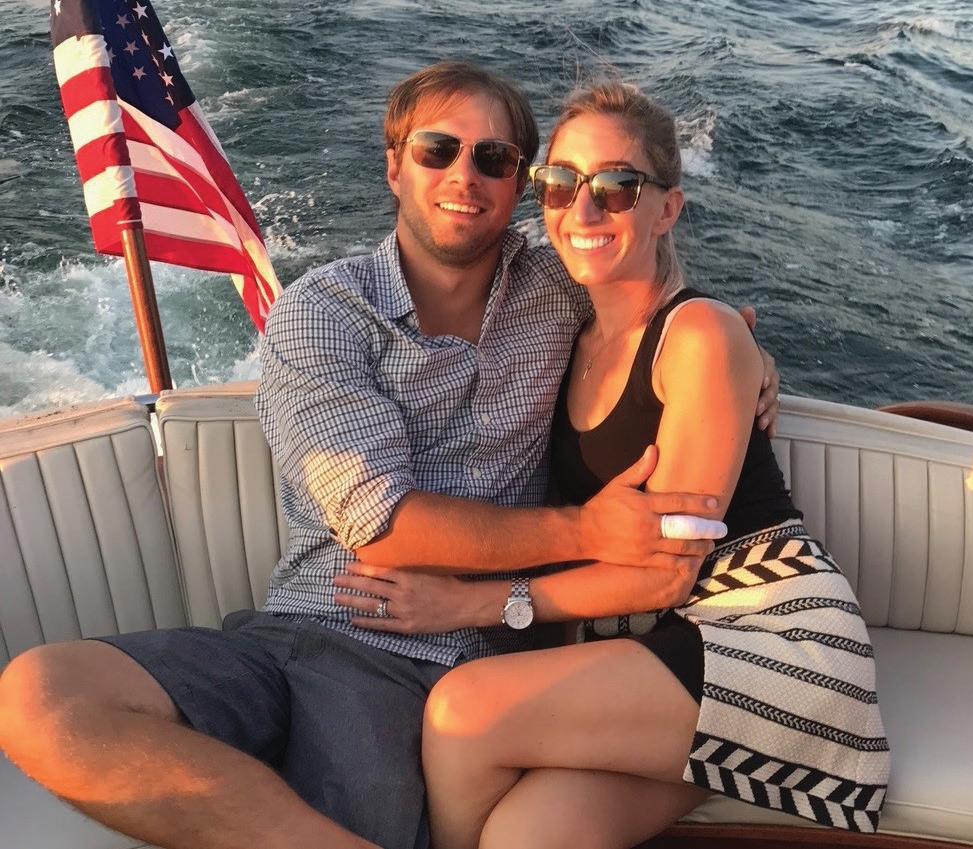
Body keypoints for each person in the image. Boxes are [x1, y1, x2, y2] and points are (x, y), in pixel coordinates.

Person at [0, 63, 779, 849]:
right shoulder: (325, 315)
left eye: (494, 159)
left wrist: (745, 352)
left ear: (519, 187)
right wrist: (586, 530)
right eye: (438, 150)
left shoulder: (559, 286)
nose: (464, 177)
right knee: (40, 695)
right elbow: (383, 527)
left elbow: (656, 308)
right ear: (394, 166)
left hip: (455, 669)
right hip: (312, 632)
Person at [336, 82, 890, 848]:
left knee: (463, 710)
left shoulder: (697, 335)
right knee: (528, 834)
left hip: (768, 636)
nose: (584, 211)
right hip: (657, 651)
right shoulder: (572, 330)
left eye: (617, 187)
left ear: (667, 208)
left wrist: (463, 603)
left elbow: (662, 574)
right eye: (560, 184)